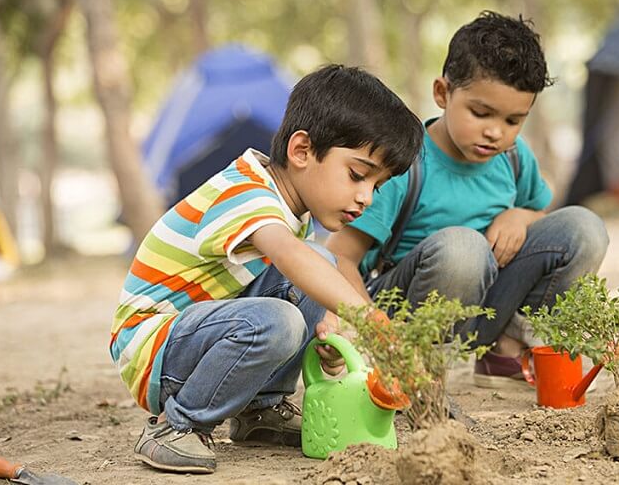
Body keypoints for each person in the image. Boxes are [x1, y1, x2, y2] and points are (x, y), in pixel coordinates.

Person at [110, 65, 424, 474]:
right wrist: (369, 319)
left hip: (197, 334)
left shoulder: (291, 207)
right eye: (357, 175)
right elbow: (291, 257)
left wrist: (325, 327)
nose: (366, 197)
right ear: (302, 151)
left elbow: (300, 269)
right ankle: (176, 426)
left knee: (320, 265)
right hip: (152, 348)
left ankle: (261, 410)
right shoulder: (245, 192)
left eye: (376, 186)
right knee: (281, 315)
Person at [326, 11, 609, 389]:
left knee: (584, 228)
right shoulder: (405, 164)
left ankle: (506, 352)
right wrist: (376, 334)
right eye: (481, 113)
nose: (495, 132)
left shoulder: (512, 156)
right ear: (443, 93)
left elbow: (541, 213)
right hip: (408, 310)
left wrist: (520, 217)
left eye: (513, 121)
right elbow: (341, 255)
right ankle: (420, 369)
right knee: (464, 247)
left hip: (488, 305)